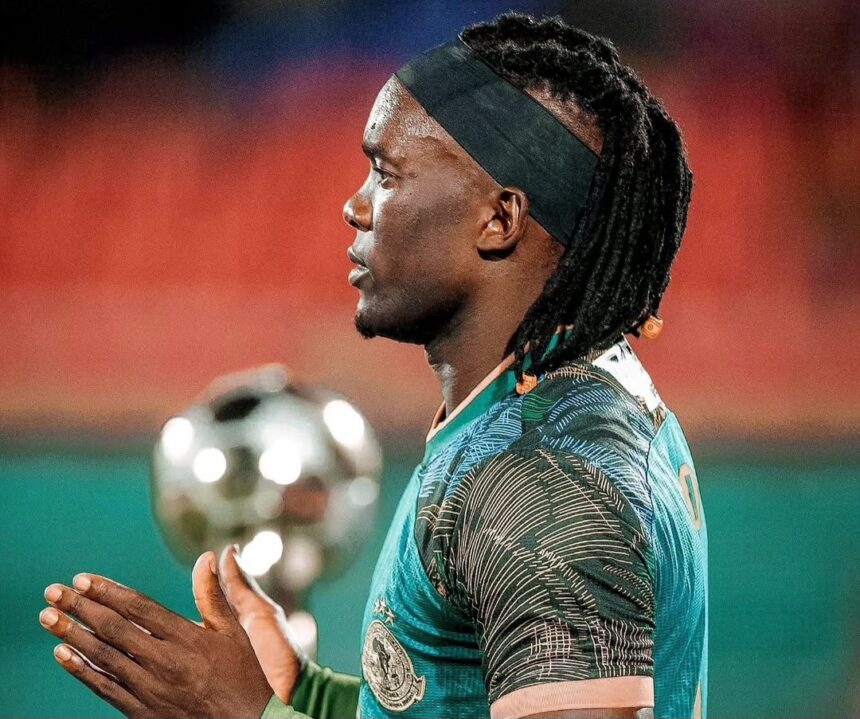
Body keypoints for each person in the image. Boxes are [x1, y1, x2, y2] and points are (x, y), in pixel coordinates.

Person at [38, 12, 706, 719]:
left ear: (499, 219)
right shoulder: (546, 406)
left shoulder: (545, 484)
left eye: (386, 174)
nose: (355, 206)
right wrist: (307, 693)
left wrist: (247, 713)